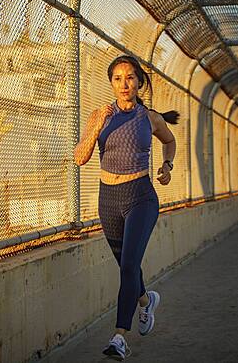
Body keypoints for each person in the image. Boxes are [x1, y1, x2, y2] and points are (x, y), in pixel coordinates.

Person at [74, 55, 178, 360]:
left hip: (141, 197)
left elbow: (169, 141)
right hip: (108, 199)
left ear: (139, 82)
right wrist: (95, 129)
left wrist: (167, 165)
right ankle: (146, 301)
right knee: (126, 266)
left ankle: (119, 336)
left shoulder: (150, 118)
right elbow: (80, 158)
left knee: (130, 267)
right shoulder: (99, 115)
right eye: (117, 78)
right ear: (111, 83)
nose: (124, 84)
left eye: (130, 77)